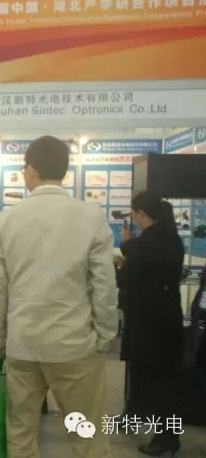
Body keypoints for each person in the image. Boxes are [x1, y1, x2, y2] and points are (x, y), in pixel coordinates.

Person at [0, 136, 117, 458]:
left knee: (21, 435)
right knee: (87, 437)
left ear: (31, 169)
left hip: (23, 343)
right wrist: (104, 335)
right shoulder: (91, 217)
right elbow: (104, 285)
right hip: (75, 344)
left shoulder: (6, 220)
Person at [118, 192, 184, 457]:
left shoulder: (142, 244)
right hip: (166, 318)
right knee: (158, 377)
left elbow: (128, 279)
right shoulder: (171, 238)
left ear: (141, 214)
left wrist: (125, 252)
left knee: (155, 380)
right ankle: (135, 414)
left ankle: (167, 437)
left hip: (147, 322)